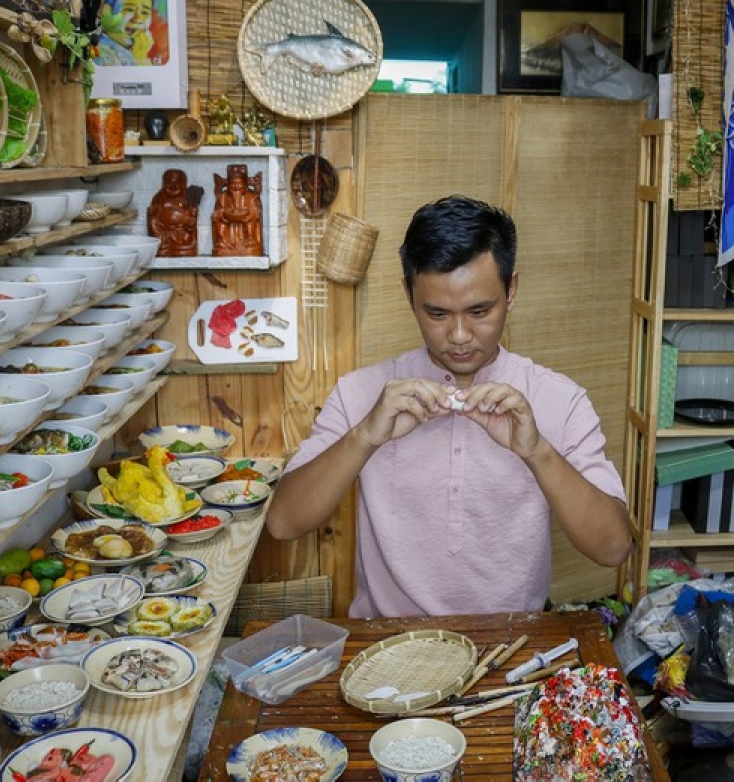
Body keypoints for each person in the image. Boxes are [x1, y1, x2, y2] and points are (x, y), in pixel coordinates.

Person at [267, 195, 632, 618]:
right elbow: (283, 523)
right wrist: (365, 435)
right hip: (388, 645)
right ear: (408, 294)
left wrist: (538, 451)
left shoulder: (560, 399)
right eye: (437, 313)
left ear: (511, 291)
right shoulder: (361, 393)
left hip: (510, 645)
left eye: (480, 310)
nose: (459, 335)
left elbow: (614, 547)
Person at [97, 0, 166, 66]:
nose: (138, 19)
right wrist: (140, 58)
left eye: (144, 12)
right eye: (129, 9)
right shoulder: (101, 54)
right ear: (107, 11)